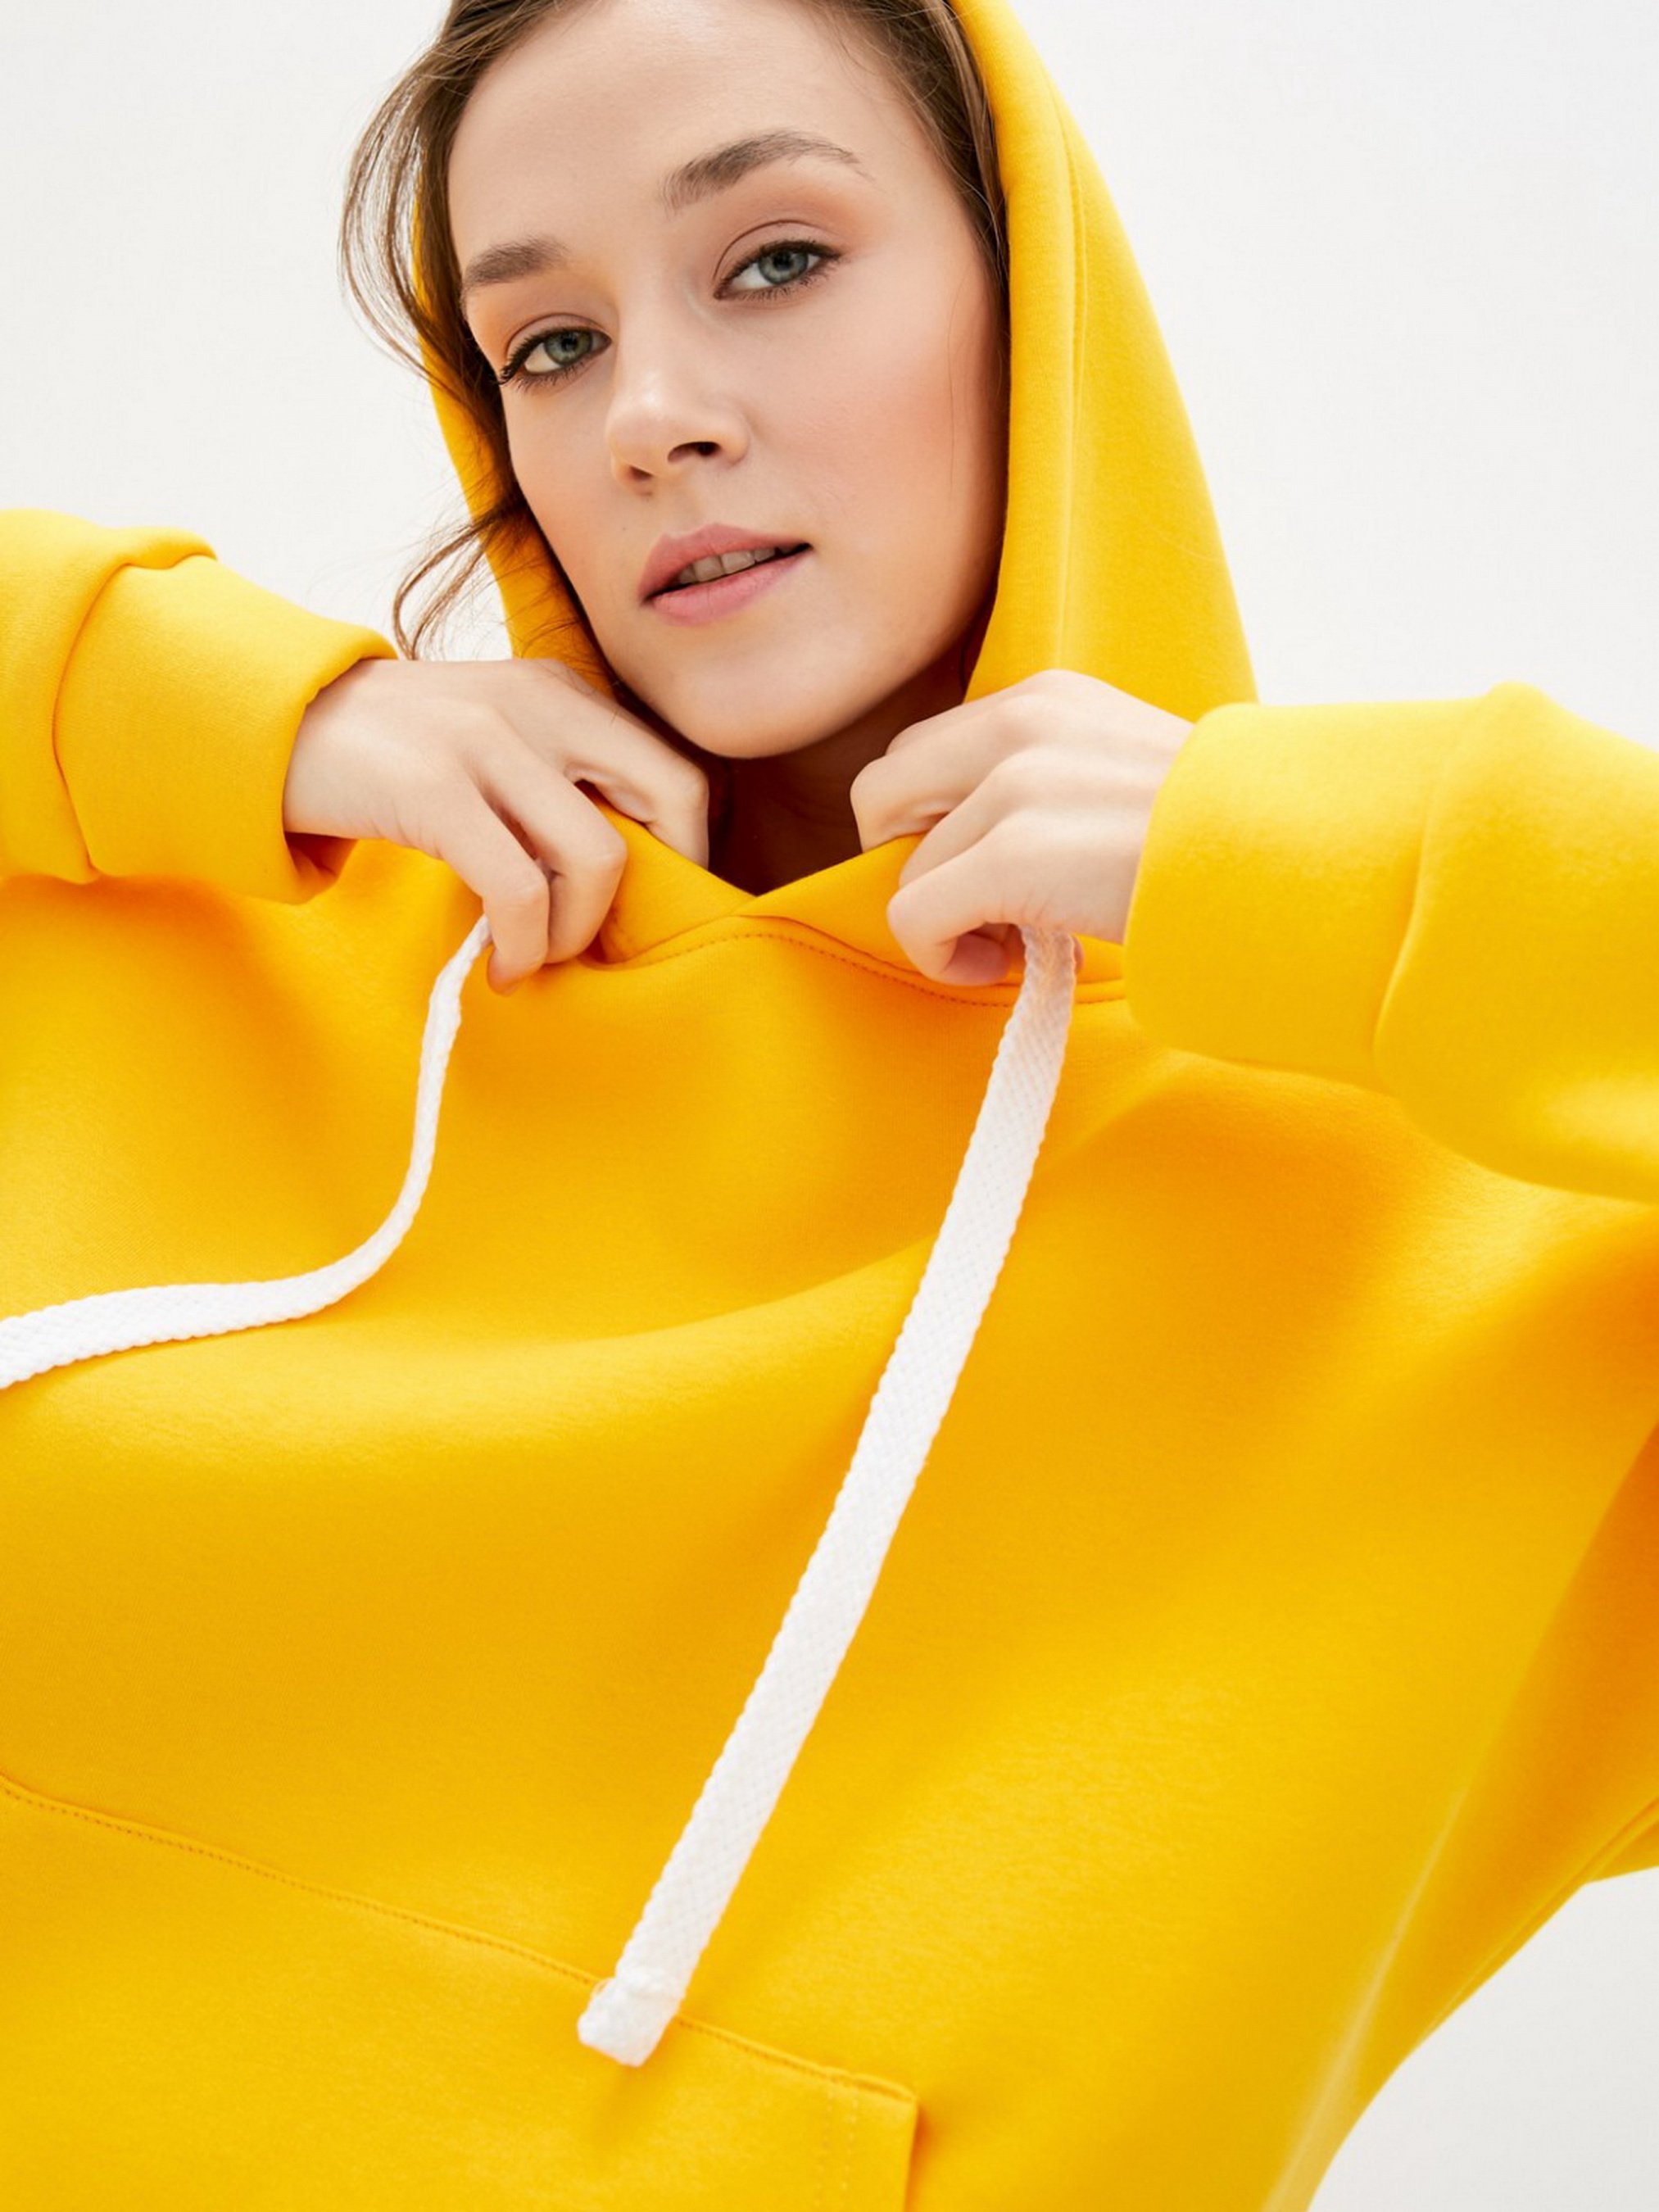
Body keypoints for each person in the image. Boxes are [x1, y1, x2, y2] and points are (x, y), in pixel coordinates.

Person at [1, 0, 1655, 2202]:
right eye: (549, 343)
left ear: (1032, 300)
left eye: (774, 259)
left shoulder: (1503, 1271)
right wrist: (228, 705)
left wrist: (1345, 865)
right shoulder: (227, 942)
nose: (649, 419)